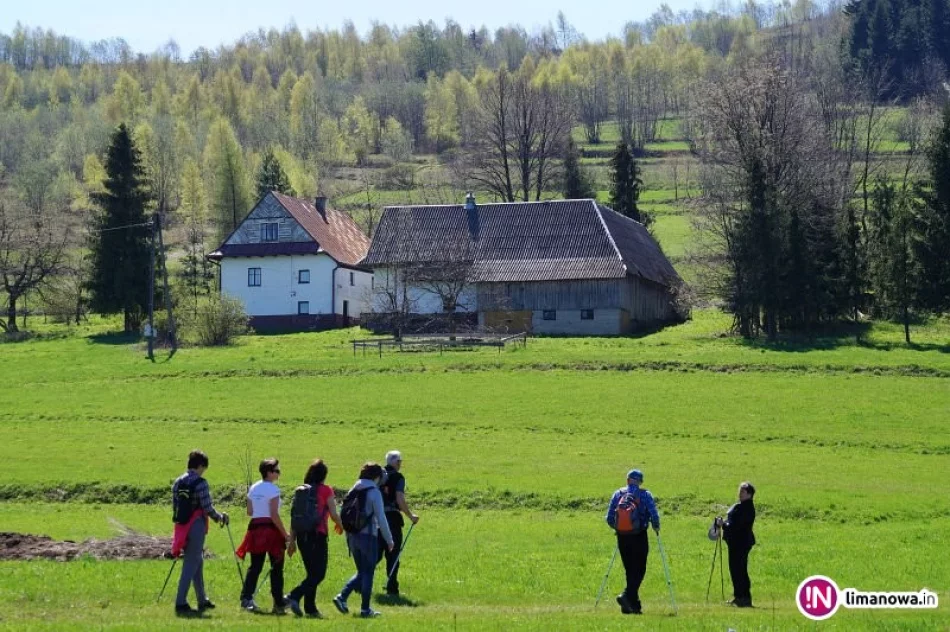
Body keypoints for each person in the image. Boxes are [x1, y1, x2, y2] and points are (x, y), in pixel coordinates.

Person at [170, 449, 229, 617]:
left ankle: (202, 599)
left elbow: (175, 507)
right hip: (196, 526)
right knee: (190, 563)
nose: (204, 471)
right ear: (200, 466)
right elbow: (207, 508)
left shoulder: (178, 482)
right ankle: (180, 602)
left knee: (198, 561)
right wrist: (219, 518)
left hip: (181, 526)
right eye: (204, 468)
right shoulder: (201, 483)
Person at [333, 462, 394, 618]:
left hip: (352, 536)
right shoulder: (374, 492)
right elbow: (381, 518)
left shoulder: (354, 488)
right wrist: (389, 540)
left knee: (362, 571)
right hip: (368, 536)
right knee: (368, 572)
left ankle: (343, 597)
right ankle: (363, 608)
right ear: (376, 477)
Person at [284, 459, 344, 618]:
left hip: (302, 535)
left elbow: (295, 517)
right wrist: (341, 526)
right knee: (319, 574)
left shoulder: (301, 491)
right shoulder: (326, 490)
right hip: (317, 535)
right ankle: (293, 596)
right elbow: (333, 513)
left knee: (312, 573)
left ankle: (310, 608)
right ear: (324, 475)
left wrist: (292, 540)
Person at [236, 458, 289, 614]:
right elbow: (274, 514)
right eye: (277, 471)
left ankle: (246, 598)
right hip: (270, 531)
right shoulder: (273, 490)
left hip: (255, 529)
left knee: (255, 566)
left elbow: (250, 512)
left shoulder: (253, 488)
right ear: (269, 473)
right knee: (276, 567)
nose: (279, 474)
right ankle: (278, 602)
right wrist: (285, 533)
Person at [604, 468, 660, 615]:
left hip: (622, 537)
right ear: (640, 482)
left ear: (627, 480)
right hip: (639, 536)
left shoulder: (617, 494)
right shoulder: (645, 494)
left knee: (630, 570)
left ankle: (632, 607)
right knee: (639, 569)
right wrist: (656, 526)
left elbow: (609, 518)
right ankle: (626, 596)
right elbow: (654, 514)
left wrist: (620, 528)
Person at [377, 450, 419, 596]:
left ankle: (359, 583)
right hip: (392, 519)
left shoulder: (377, 475)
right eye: (399, 461)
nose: (400, 464)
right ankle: (392, 589)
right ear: (395, 462)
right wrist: (410, 515)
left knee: (375, 555)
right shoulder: (398, 477)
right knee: (393, 554)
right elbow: (399, 499)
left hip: (376, 518)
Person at [717, 481, 756, 608]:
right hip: (735, 542)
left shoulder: (747, 508)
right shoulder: (740, 506)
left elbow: (736, 526)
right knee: (735, 570)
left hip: (741, 543)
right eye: (739, 490)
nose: (740, 493)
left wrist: (724, 525)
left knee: (739, 570)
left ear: (749, 494)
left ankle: (744, 598)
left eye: (743, 491)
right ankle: (739, 596)